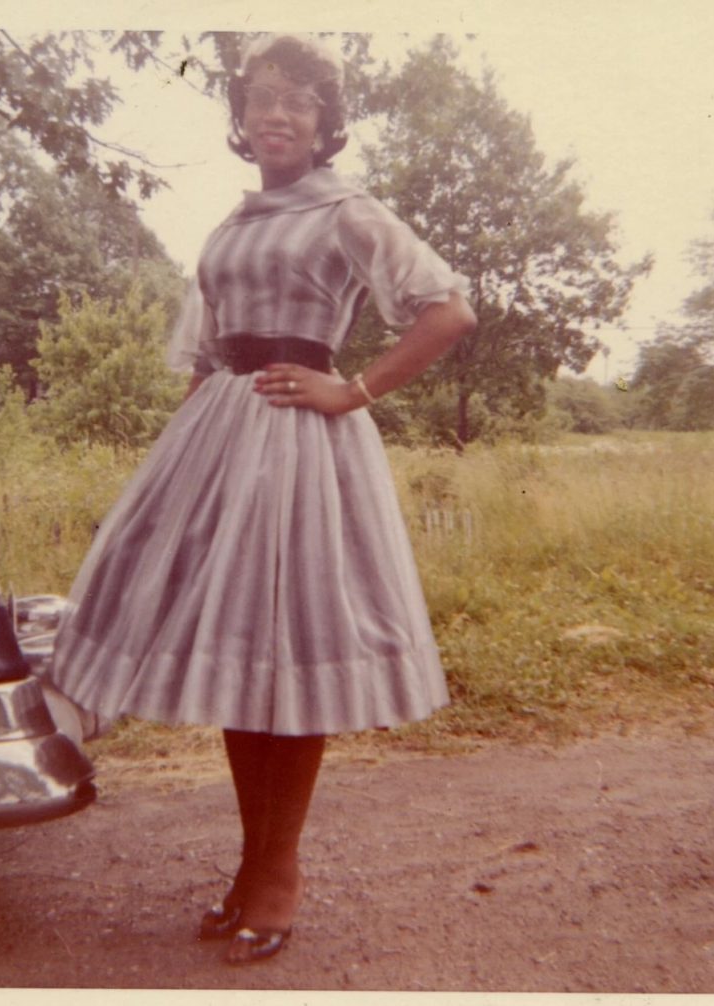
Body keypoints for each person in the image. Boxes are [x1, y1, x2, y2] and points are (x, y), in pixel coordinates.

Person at [50, 33, 477, 965]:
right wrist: (181, 477)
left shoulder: (349, 212)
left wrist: (353, 389)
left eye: (297, 102)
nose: (275, 115)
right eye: (259, 100)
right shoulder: (233, 225)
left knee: (293, 650)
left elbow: (448, 310)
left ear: (326, 125)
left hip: (304, 444)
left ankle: (279, 871)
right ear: (241, 122)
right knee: (245, 657)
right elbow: (205, 360)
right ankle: (251, 866)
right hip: (221, 444)